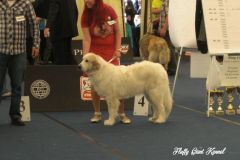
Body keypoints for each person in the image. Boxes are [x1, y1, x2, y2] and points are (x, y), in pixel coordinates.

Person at [81, 0, 131, 124]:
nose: (87, 1)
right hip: (95, 54)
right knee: (95, 85)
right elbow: (87, 39)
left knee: (118, 84)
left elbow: (118, 31)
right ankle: (97, 114)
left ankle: (121, 113)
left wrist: (118, 49)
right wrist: (85, 59)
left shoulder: (109, 11)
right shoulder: (85, 15)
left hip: (111, 53)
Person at [0, 0, 40, 126]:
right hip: (0, 50)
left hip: (19, 51)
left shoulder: (25, 4)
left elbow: (34, 24)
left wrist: (36, 44)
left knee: (17, 86)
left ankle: (15, 115)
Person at [44, 0, 78, 65]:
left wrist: (48, 26)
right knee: (68, 53)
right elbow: (76, 12)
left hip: (58, 30)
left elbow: (53, 11)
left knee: (59, 56)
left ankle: (62, 73)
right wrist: (72, 25)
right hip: (69, 29)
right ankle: (75, 72)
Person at [158, 0, 176, 76]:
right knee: (168, 49)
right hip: (167, 29)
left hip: (168, 30)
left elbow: (169, 16)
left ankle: (172, 69)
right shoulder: (165, 2)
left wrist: (164, 28)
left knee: (169, 49)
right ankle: (170, 68)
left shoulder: (168, 2)